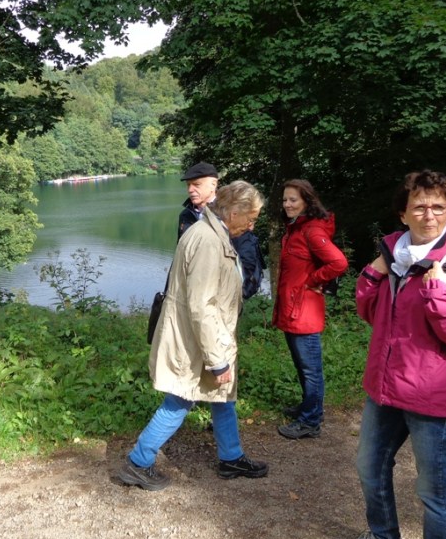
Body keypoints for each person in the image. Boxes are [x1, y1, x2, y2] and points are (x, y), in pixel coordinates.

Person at [339, 170, 446, 539]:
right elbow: (372, 314)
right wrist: (374, 273)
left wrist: (437, 290)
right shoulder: (396, 259)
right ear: (403, 214)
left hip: (435, 395)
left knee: (433, 484)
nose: (429, 215)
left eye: (438, 207)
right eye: (419, 207)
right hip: (386, 387)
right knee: (369, 466)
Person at [119, 180, 269, 490]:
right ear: (234, 212)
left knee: (222, 395)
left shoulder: (213, 233)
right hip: (196, 341)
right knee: (180, 398)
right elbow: (202, 305)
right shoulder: (207, 241)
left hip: (207, 337)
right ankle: (138, 461)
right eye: (251, 218)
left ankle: (231, 457)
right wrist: (217, 360)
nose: (252, 225)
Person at [272, 179, 348, 439]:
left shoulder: (312, 231)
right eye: (285, 199)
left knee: (311, 370)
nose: (287, 204)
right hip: (293, 309)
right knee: (302, 365)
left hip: (304, 312)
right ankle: (309, 407)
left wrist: (314, 280)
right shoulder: (295, 228)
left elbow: (339, 263)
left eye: (293, 199)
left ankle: (311, 421)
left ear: (307, 201)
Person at [178, 161, 265, 299]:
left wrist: (238, 294)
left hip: (222, 297)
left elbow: (246, 261)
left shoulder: (232, 213)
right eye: (188, 185)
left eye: (196, 184)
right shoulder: (186, 215)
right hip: (191, 292)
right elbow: (182, 254)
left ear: (213, 184)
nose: (190, 190)